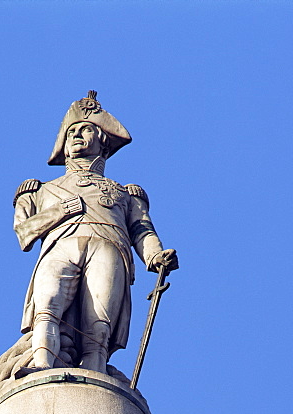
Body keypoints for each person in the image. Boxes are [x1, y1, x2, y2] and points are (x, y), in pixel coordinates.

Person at [12, 91, 178, 376]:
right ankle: (41, 364)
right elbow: (24, 233)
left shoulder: (126, 193)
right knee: (48, 304)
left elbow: (141, 229)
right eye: (71, 132)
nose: (77, 135)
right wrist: (62, 211)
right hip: (60, 245)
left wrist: (155, 256)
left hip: (109, 247)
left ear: (102, 140)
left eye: (85, 129)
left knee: (98, 323)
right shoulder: (40, 190)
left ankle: (96, 373)